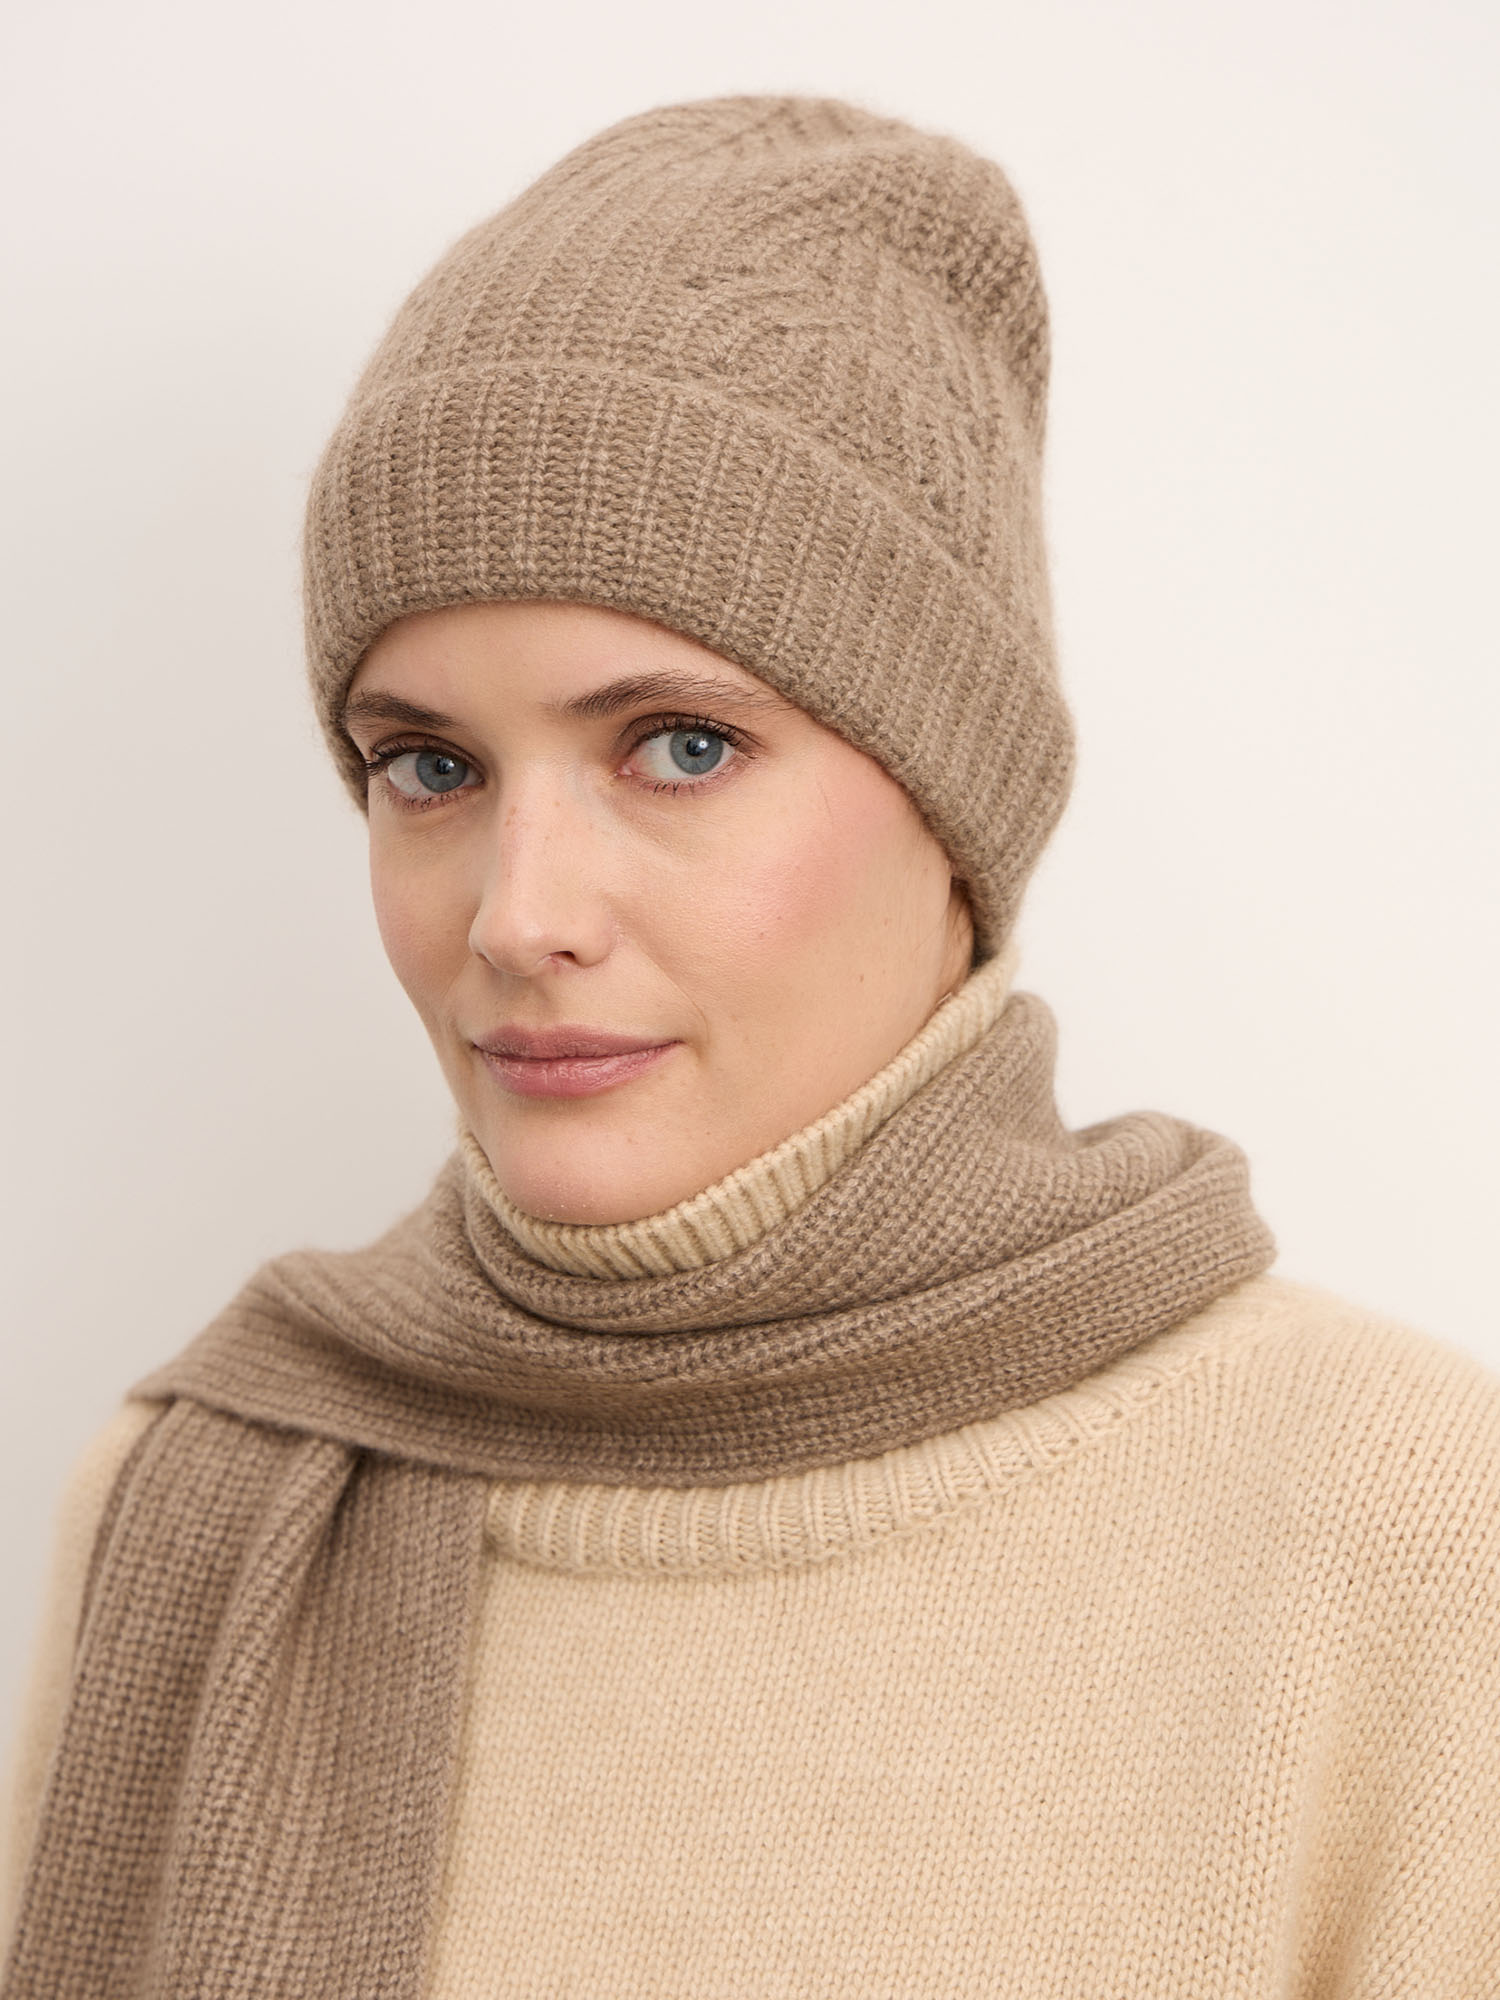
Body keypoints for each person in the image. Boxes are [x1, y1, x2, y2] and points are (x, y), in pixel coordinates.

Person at [2, 92, 1497, 2000]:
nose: (518, 913)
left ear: (953, 802)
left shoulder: (1392, 1528)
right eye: (429, 767)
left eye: (680, 746)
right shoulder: (201, 1500)